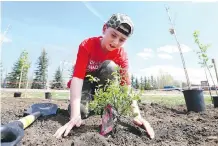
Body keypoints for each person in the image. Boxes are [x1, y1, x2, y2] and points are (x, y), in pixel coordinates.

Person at [54, 13, 155, 139]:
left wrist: (136, 115)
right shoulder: (87, 45)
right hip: (86, 83)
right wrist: (75, 115)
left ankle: (108, 111)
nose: (116, 42)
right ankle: (90, 105)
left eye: (122, 40)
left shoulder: (121, 55)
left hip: (104, 85)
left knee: (110, 66)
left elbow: (125, 86)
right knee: (81, 112)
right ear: (104, 29)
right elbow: (78, 78)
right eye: (113, 35)